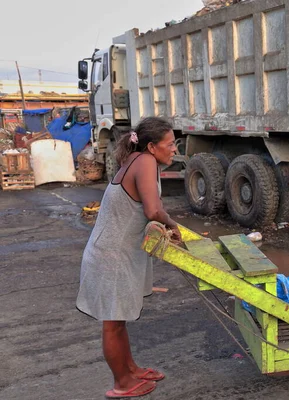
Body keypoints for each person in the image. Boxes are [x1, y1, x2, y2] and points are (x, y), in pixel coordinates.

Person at [76, 117, 181, 399]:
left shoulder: (139, 159)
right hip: (111, 255)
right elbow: (152, 211)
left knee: (118, 320)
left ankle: (130, 369)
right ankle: (122, 383)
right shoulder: (145, 162)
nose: (174, 150)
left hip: (117, 252)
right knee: (112, 322)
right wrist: (172, 224)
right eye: (170, 144)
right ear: (151, 146)